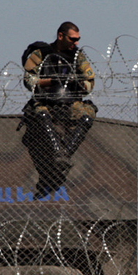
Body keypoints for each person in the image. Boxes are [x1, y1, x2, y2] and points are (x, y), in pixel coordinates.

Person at [22, 21, 97, 198]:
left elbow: (90, 82)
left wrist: (78, 83)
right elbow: (28, 79)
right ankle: (58, 153)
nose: (76, 43)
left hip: (70, 101)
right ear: (60, 36)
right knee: (40, 115)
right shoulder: (41, 54)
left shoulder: (78, 57)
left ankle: (64, 155)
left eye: (78, 39)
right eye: (72, 39)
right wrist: (50, 81)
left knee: (87, 115)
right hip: (46, 100)